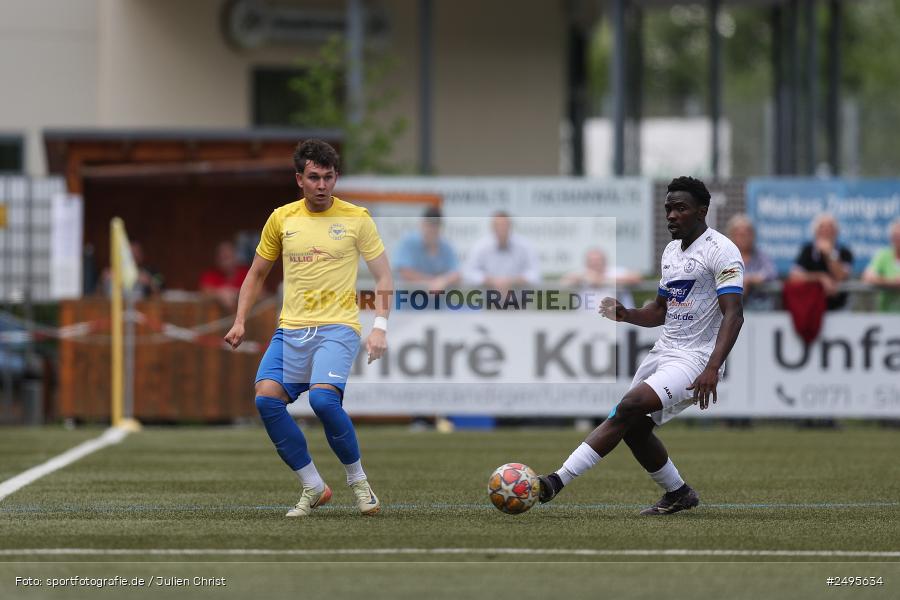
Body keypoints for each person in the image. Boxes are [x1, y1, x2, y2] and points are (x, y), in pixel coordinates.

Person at [538, 176, 744, 515]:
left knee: (629, 405)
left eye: (681, 208)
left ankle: (556, 481)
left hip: (697, 358)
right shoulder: (670, 252)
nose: (672, 216)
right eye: (668, 209)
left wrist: (712, 367)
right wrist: (627, 314)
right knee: (632, 427)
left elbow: (733, 314)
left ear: (702, 211)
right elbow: (661, 311)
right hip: (665, 351)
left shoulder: (721, 251)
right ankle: (679, 493)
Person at [224, 139, 393, 518]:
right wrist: (239, 320)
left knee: (322, 400)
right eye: (314, 177)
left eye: (328, 177)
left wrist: (379, 326)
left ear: (336, 178)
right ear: (299, 179)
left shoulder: (357, 218)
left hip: (338, 327)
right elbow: (256, 274)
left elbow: (383, 277)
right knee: (266, 400)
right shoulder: (282, 219)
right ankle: (314, 486)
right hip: (292, 330)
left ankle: (359, 482)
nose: (322, 185)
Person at [462, 211, 540, 296]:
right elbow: (469, 273)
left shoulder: (524, 246)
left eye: (504, 226)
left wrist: (513, 281)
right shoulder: (481, 246)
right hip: (489, 303)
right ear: (492, 228)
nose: (502, 229)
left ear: (511, 226)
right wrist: (491, 281)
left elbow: (535, 274)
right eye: (498, 226)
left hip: (519, 302)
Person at [788, 213, 853, 311]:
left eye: (830, 228)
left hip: (838, 308)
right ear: (815, 232)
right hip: (811, 307)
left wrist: (830, 254)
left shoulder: (845, 252)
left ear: (836, 232)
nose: (826, 231)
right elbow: (795, 276)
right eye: (822, 228)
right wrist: (821, 277)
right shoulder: (807, 250)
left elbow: (841, 276)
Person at [393, 207, 460, 292]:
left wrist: (443, 281)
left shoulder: (446, 246)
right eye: (430, 225)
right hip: (408, 301)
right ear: (422, 224)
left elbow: (457, 273)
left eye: (435, 226)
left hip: (436, 303)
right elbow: (405, 272)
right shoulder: (408, 242)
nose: (432, 229)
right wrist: (431, 282)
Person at [725, 214, 777, 310]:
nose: (744, 238)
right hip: (730, 305)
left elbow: (771, 273)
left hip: (759, 305)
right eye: (740, 235)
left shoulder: (761, 255)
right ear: (732, 236)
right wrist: (740, 280)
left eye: (747, 234)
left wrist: (750, 279)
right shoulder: (725, 256)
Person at [560, 247, 641, 309]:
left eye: (598, 260)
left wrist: (603, 281)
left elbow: (636, 278)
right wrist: (582, 278)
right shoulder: (582, 273)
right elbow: (563, 282)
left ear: (604, 261)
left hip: (618, 320)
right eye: (591, 260)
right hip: (587, 323)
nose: (595, 263)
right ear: (586, 262)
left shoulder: (615, 271)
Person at [862, 217, 900, 312]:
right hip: (886, 315)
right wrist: (893, 283)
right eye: (895, 236)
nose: (898, 239)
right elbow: (868, 277)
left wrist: (881, 280)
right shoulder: (883, 255)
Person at [199, 241, 251, 310]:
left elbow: (260, 291)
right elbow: (204, 290)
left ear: (235, 257)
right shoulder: (211, 274)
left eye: (227, 257)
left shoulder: (245, 272)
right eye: (221, 258)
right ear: (217, 259)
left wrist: (236, 294)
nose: (225, 262)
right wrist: (219, 293)